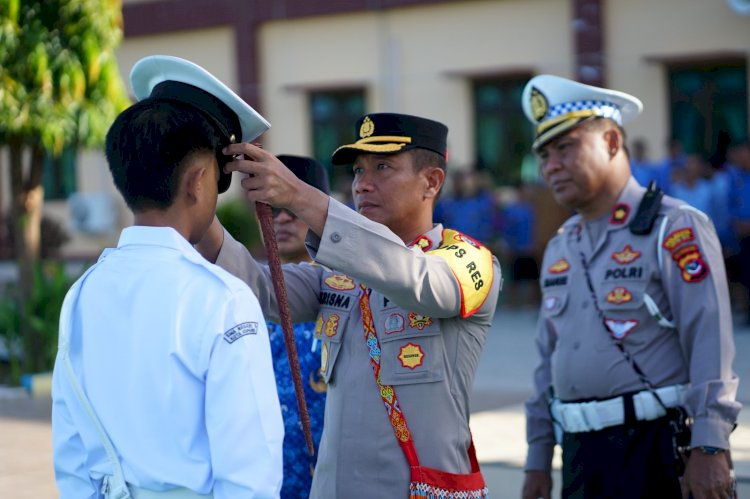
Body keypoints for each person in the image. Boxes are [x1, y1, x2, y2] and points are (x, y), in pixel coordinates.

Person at [196, 112, 502, 498]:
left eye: (383, 166)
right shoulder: (336, 273)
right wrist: (196, 196)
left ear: (432, 181)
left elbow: (412, 278)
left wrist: (297, 195)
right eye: (358, 171)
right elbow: (261, 288)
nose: (363, 184)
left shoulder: (466, 260)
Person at [51, 55, 284, 498]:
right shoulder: (224, 300)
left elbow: (72, 459)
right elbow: (249, 479)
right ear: (198, 181)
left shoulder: (81, 295)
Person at [520, 74, 740, 499]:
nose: (551, 166)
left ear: (612, 143)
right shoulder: (563, 244)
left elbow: (709, 343)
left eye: (566, 147)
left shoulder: (672, 227)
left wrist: (710, 444)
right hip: (581, 454)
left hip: (655, 448)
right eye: (544, 154)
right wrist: (537, 456)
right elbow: (547, 361)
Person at [267, 155, 329, 498]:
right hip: (264, 477)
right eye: (273, 209)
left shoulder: (345, 288)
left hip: (327, 476)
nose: (284, 219)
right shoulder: (243, 291)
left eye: (294, 208)